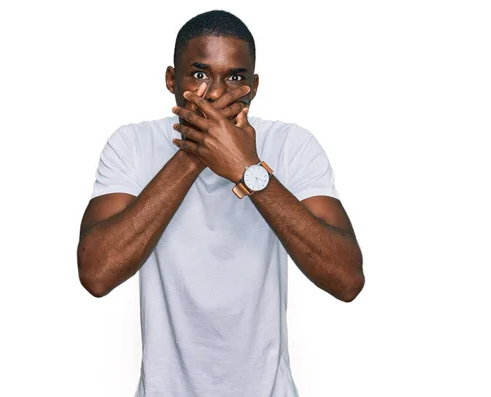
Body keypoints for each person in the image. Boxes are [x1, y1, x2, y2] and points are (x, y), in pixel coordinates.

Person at [77, 9, 364, 397]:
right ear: (170, 79)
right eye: (198, 74)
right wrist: (196, 154)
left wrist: (249, 168)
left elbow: (347, 280)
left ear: (254, 86)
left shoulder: (292, 146)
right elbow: (96, 273)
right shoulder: (132, 145)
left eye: (234, 77)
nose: (214, 93)